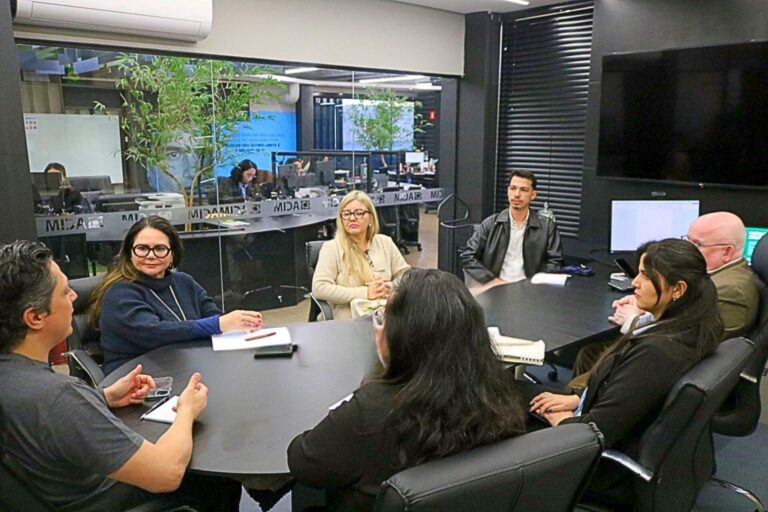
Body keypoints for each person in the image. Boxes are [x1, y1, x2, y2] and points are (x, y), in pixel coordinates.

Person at [0, 240, 240, 511]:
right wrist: (186, 411)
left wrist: (103, 397)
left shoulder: (16, 379)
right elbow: (166, 473)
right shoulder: (59, 396)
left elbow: (43, 421)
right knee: (215, 477)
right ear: (35, 317)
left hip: (56, 492)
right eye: (65, 292)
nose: (74, 297)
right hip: (107, 499)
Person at [289, 268, 527, 511]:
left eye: (384, 317)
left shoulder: (370, 410)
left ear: (403, 336)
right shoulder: (497, 394)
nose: (378, 326)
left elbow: (302, 462)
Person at [528, 239, 723, 507]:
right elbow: (632, 396)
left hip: (600, 467)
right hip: (621, 436)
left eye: (645, 275)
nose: (635, 283)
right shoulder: (691, 327)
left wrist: (561, 420)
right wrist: (577, 399)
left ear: (678, 289)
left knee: (501, 411)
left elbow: (596, 432)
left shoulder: (656, 354)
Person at [570, 211, 759, 386]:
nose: (686, 249)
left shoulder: (730, 291)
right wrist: (646, 304)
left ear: (727, 252)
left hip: (668, 369)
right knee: (590, 353)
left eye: (697, 244)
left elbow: (685, 342)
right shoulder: (718, 276)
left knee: (590, 362)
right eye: (687, 240)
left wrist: (634, 319)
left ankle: (580, 402)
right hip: (664, 355)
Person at [91, 216, 264, 374]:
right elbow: (155, 333)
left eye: (160, 249)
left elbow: (212, 315)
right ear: (129, 253)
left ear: (172, 254)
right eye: (142, 248)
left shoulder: (184, 282)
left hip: (185, 366)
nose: (151, 256)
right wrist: (218, 324)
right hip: (137, 378)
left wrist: (239, 325)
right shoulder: (119, 292)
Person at [312, 191, 410, 319]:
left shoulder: (385, 243)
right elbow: (319, 288)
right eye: (346, 214)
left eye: (359, 213)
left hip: (385, 314)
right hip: (348, 317)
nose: (352, 218)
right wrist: (365, 292)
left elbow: (406, 276)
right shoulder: (331, 248)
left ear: (371, 217)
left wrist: (390, 287)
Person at [460, 169, 563, 290]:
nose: (517, 194)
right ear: (508, 191)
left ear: (533, 195)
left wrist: (536, 283)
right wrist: (491, 280)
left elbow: (555, 261)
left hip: (530, 290)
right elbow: (468, 255)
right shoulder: (491, 224)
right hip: (495, 287)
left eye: (524, 190)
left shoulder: (547, 227)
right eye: (513, 188)